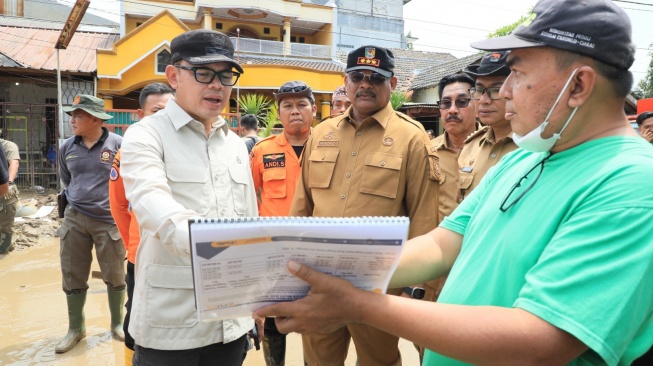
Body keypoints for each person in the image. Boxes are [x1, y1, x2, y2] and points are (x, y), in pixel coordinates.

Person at [256, 0, 653, 365]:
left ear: (579, 86)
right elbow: (441, 244)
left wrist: (358, 305)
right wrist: (320, 272)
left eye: (517, 74)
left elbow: (541, 341)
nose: (503, 94)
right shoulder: (527, 160)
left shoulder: (631, 185)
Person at [289, 45, 439, 366]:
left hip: (379, 286)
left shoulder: (411, 138)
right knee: (318, 362)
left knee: (378, 362)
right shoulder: (322, 133)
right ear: (346, 81)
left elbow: (425, 219)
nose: (365, 84)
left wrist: (418, 288)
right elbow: (302, 207)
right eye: (357, 76)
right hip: (320, 278)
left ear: (393, 84)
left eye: (376, 78)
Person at [120, 29, 260, 366]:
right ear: (173, 76)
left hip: (232, 323)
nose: (217, 84)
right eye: (203, 73)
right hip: (173, 324)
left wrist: (257, 300)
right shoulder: (146, 135)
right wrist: (221, 244)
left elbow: (250, 220)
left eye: (225, 75)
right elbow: (155, 207)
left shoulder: (235, 145)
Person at [250, 80, 315, 365]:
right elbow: (247, 197)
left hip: (315, 252)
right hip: (272, 252)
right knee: (273, 320)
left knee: (315, 321)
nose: (295, 111)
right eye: (287, 106)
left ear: (314, 110)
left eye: (302, 104)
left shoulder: (329, 147)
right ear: (278, 114)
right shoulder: (263, 150)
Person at [109, 82, 174, 365]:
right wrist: (132, 244)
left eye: (169, 110)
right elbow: (119, 206)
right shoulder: (127, 153)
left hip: (184, 253)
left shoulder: (188, 149)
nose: (163, 117)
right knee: (136, 317)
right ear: (140, 114)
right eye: (156, 110)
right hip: (142, 253)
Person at [56, 94, 126, 354]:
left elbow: (127, 181)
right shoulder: (67, 147)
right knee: (72, 272)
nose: (72, 120)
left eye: (78, 115)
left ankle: (117, 324)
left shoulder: (118, 144)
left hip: (109, 220)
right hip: (74, 218)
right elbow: (66, 178)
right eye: (72, 115)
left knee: (115, 274)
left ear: (95, 118)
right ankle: (76, 329)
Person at [458, 51, 517, 199]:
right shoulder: (471, 146)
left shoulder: (534, 147)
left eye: (496, 90)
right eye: (479, 90)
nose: (484, 100)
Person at [432, 73, 478, 220]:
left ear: (477, 105)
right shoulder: (427, 151)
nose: (452, 110)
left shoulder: (495, 148)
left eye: (462, 102)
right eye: (446, 103)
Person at [0, 135, 20, 254]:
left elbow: (14, 164)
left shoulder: (9, 146)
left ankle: (5, 248)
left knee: (5, 226)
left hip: (5, 189)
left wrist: (9, 182)